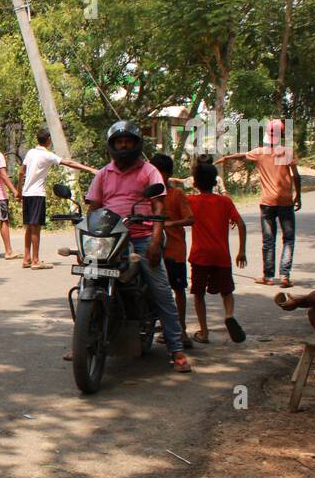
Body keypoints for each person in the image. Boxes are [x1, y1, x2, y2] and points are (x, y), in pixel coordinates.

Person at [84, 120, 192, 373]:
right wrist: (88, 238)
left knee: (161, 290)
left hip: (143, 235)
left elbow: (158, 207)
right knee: (89, 279)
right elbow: (93, 209)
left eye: (127, 142)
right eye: (119, 142)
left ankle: (176, 349)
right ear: (112, 146)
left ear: (135, 144)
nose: (123, 146)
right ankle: (83, 341)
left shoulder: (149, 171)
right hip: (110, 238)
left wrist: (155, 241)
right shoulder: (103, 174)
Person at [216, 118, 301, 287]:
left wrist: (226, 158)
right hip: (285, 201)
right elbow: (296, 176)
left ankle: (268, 277)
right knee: (288, 238)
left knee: (268, 240)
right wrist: (298, 195)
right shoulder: (287, 152)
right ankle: (285, 276)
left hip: (267, 202)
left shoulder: (260, 152)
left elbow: (242, 155)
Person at [186, 162, 247, 344]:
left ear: (195, 183)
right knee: (226, 291)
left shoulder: (190, 200)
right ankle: (228, 315)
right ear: (215, 182)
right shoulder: (225, 202)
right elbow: (241, 224)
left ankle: (204, 332)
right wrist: (241, 251)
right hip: (221, 255)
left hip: (200, 255)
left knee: (199, 294)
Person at [18, 128, 95, 269]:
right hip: (37, 194)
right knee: (36, 227)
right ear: (48, 140)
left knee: (29, 226)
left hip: (27, 193)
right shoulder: (48, 155)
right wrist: (90, 169)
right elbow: (69, 163)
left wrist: (18, 191)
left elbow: (21, 172)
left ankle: (26, 258)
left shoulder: (30, 153)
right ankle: (35, 261)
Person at [149, 153, 194, 347]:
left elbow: (190, 219)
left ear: (168, 174)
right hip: (154, 249)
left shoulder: (177, 194)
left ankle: (181, 330)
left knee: (178, 289)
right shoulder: (147, 195)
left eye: (160, 172)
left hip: (174, 251)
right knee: (154, 290)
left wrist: (169, 223)